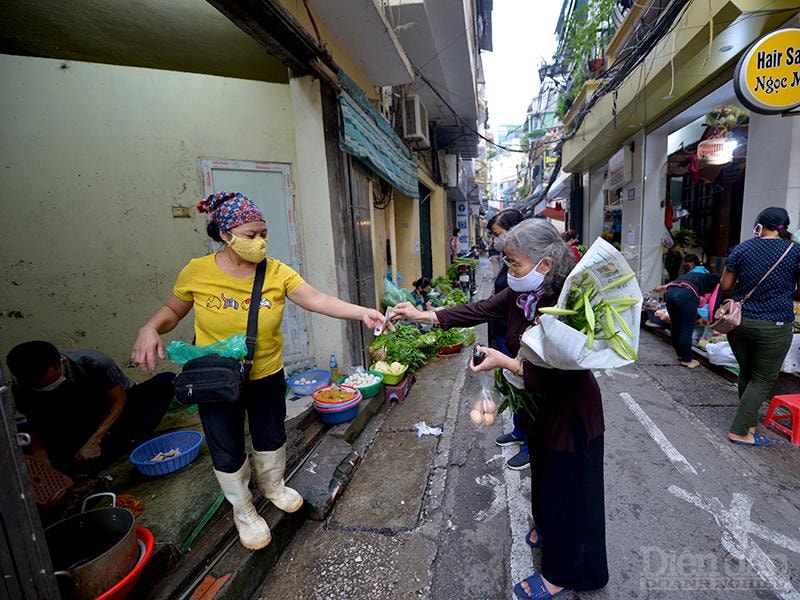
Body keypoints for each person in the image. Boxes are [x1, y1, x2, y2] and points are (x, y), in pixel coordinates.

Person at [131, 191, 387, 551]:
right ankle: (244, 509)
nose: (260, 241)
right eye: (251, 235)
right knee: (226, 444)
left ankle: (273, 486)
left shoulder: (276, 272)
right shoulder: (197, 271)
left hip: (266, 373)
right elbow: (173, 311)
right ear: (225, 234)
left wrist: (361, 312)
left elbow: (317, 299)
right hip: (216, 378)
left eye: (264, 233)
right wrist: (150, 328)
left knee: (270, 434)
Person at [393, 220, 608, 599]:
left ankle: (562, 574)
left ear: (544, 264)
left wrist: (504, 362)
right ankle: (548, 528)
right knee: (543, 478)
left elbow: (561, 374)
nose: (509, 271)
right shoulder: (519, 297)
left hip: (571, 413)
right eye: (506, 262)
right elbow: (476, 309)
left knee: (569, 492)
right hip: (541, 410)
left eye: (515, 264)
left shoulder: (566, 304)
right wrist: (422, 315)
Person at [7, 341, 174, 475]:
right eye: (40, 387)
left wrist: (95, 440)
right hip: (71, 423)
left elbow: (119, 398)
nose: (48, 388)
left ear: (62, 361)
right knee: (20, 445)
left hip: (111, 413)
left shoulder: (92, 362)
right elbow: (35, 423)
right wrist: (41, 456)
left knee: (166, 381)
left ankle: (121, 441)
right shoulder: (21, 387)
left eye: (52, 382)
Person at [720, 207, 800, 447]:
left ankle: (749, 423)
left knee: (747, 372)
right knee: (763, 379)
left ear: (759, 226)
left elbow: (726, 284)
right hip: (774, 325)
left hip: (739, 322)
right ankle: (740, 430)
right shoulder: (795, 251)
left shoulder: (742, 248)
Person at [486, 208, 529, 470]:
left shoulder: (527, 265)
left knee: (526, 389)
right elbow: (492, 304)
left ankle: (530, 445)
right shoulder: (508, 261)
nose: (494, 240)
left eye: (497, 235)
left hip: (520, 341)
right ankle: (519, 432)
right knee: (513, 389)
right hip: (503, 334)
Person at [660, 255, 720, 368]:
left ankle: (680, 355)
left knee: (676, 325)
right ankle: (687, 360)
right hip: (686, 294)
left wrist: (697, 317)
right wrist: (712, 321)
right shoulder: (716, 283)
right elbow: (712, 303)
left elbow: (692, 305)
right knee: (686, 329)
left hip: (670, 292)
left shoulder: (695, 275)